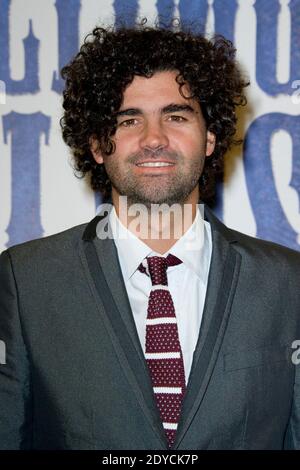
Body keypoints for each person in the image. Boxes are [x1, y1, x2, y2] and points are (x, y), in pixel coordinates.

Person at [0, 21, 300, 451]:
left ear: (210, 137)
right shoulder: (25, 280)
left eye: (176, 116)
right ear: (98, 145)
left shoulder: (287, 283)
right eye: (128, 120)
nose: (153, 139)